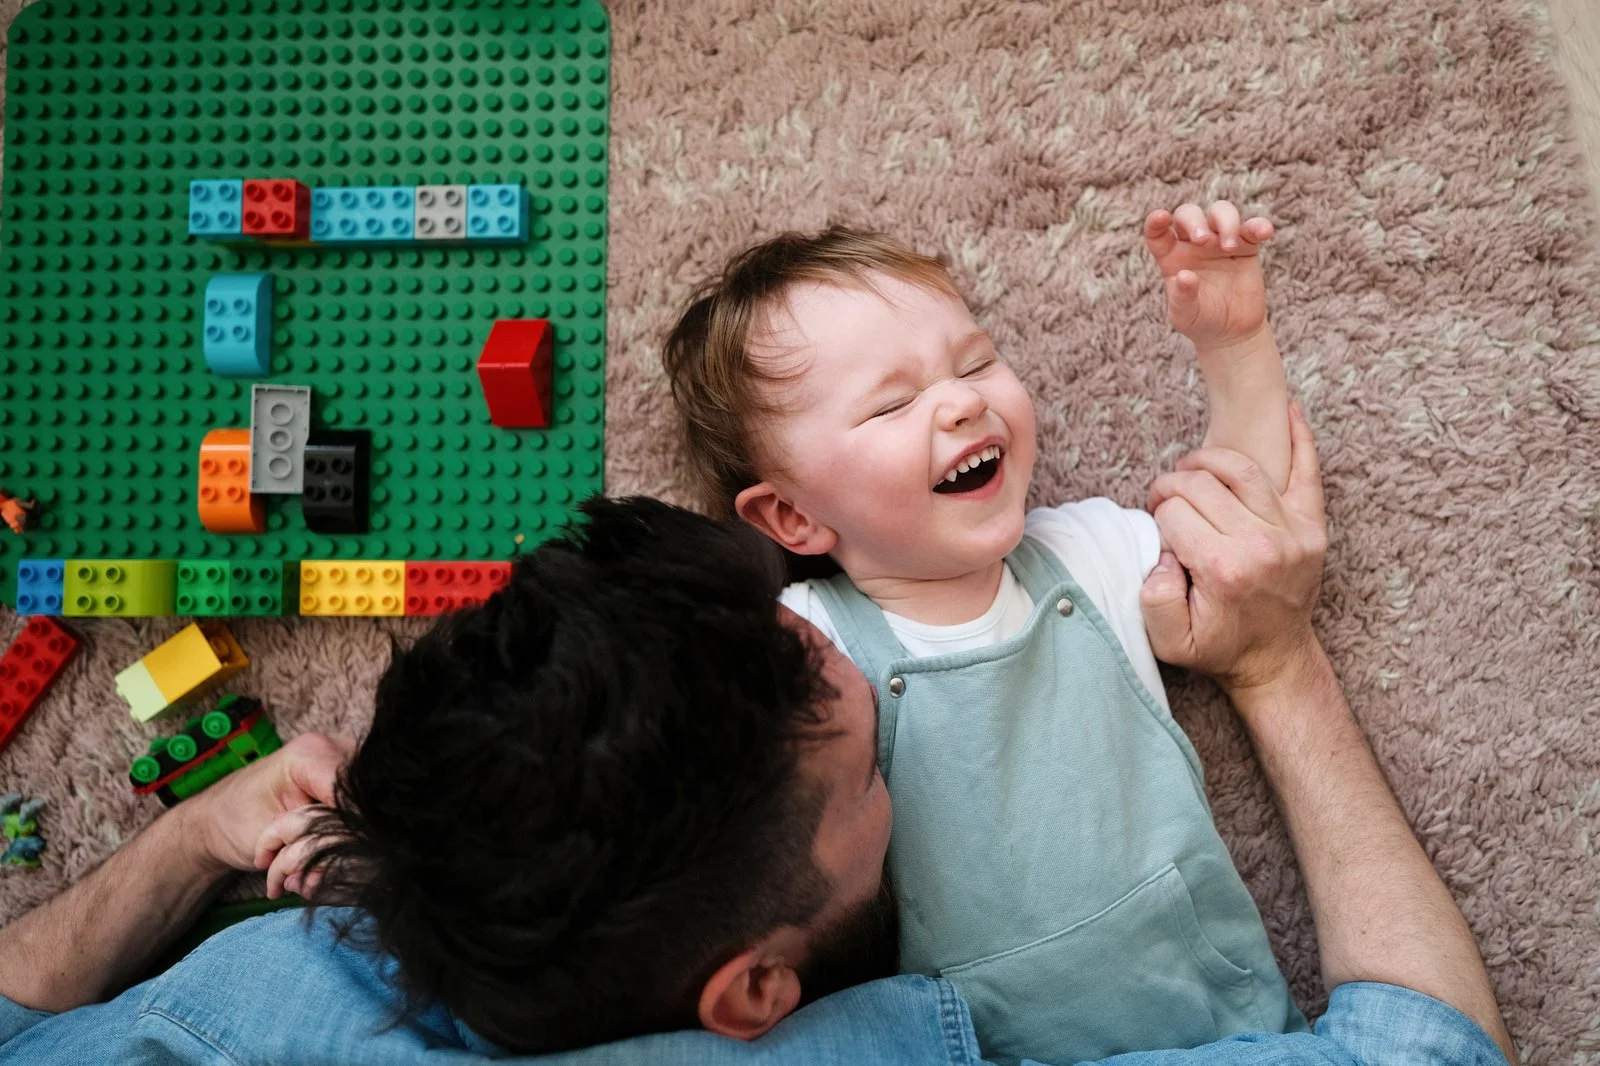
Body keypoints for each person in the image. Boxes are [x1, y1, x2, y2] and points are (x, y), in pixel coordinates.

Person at [0, 422, 1517, 1064]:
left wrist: (190, 835)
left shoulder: (251, 994)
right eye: (873, 766)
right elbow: (1426, 1050)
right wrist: (1280, 662)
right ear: (758, 992)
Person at [660, 205, 1299, 1062]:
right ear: (792, 515)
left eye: (978, 362)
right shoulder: (806, 650)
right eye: (891, 404)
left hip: (1220, 1024)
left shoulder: (1089, 553)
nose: (962, 401)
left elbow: (1251, 530)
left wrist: (1235, 347)